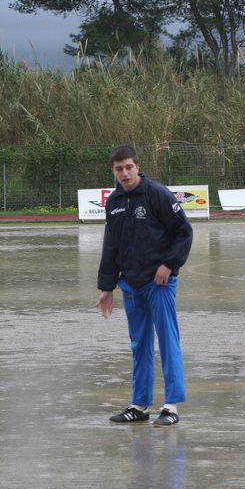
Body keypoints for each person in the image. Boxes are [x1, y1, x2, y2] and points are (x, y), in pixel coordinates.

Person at [97, 145, 193, 426]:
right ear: (113, 171)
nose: (125, 173)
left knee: (167, 340)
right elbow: (111, 246)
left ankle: (171, 406)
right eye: (119, 169)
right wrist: (107, 287)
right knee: (139, 344)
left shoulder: (157, 194)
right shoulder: (114, 202)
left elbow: (184, 232)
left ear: (137, 166)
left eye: (129, 167)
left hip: (158, 283)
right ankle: (139, 405)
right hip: (131, 284)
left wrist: (169, 265)